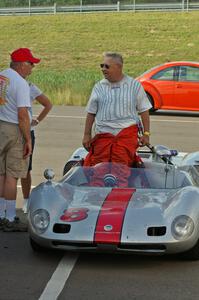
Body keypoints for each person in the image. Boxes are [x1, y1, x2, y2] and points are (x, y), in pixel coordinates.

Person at [82, 52, 152, 187]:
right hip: (102, 137)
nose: (103, 69)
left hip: (125, 137)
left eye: (107, 66)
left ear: (118, 67)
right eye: (101, 66)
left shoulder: (134, 86)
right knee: (98, 172)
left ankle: (118, 202)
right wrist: (86, 134)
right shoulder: (99, 87)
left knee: (120, 173)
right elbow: (91, 113)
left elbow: (144, 110)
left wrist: (146, 134)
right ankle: (97, 201)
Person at [0, 48, 40, 231]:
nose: (32, 67)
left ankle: (1, 213)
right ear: (22, 64)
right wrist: (28, 140)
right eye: (31, 64)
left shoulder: (2, 77)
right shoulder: (20, 83)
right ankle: (9, 217)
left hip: (0, 126)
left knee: (0, 173)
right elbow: (23, 115)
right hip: (14, 129)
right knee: (11, 175)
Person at [21, 84, 52, 213]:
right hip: (8, 130)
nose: (32, 68)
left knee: (25, 169)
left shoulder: (29, 86)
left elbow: (48, 104)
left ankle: (26, 200)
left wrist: (37, 120)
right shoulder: (5, 83)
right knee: (6, 171)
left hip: (27, 131)